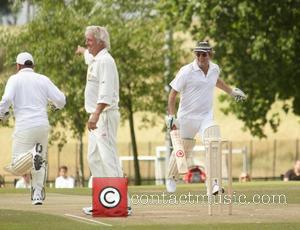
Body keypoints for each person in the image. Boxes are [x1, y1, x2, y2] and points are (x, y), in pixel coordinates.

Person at [165, 41, 246, 194]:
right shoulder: (186, 71)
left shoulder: (215, 69)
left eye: (204, 54)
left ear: (210, 54)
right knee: (183, 147)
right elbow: (172, 94)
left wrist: (231, 92)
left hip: (205, 117)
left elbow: (215, 81)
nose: (201, 57)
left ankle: (213, 184)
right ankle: (171, 177)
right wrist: (170, 116)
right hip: (187, 117)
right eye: (198, 54)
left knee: (213, 142)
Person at [76, 26, 131, 215]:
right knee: (94, 157)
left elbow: (106, 92)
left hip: (104, 116)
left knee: (109, 158)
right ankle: (103, 200)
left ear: (100, 42)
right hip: (96, 117)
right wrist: (83, 51)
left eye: (89, 40)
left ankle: (123, 203)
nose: (86, 43)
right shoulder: (95, 59)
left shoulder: (106, 61)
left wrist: (96, 114)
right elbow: (88, 57)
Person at [0, 52, 66, 205]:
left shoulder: (14, 79)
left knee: (16, 166)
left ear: (18, 66)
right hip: (42, 125)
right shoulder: (43, 79)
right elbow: (61, 100)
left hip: (24, 126)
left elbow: (7, 99)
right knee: (39, 161)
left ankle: (32, 153)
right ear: (33, 66)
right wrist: (55, 105)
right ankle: (37, 195)